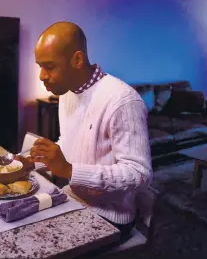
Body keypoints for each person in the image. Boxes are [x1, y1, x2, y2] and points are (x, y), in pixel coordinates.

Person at [18, 21, 153, 242]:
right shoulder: (67, 94)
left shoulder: (122, 100)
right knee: (16, 226)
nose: (42, 75)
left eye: (49, 66)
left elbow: (139, 174)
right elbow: (70, 143)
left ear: (77, 60)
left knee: (34, 243)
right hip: (72, 199)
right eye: (39, 66)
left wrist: (70, 170)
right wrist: (34, 161)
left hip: (110, 217)